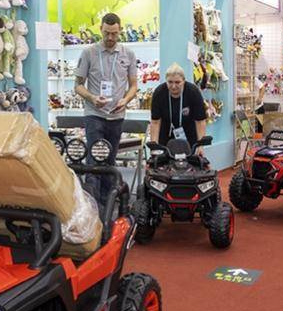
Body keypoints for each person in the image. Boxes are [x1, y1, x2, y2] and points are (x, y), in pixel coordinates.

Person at [75, 12, 138, 208]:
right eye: (106, 33)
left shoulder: (128, 54)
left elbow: (134, 85)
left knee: (110, 161)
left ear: (120, 31)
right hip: (94, 115)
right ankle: (92, 205)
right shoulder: (89, 53)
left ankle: (108, 205)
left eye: (114, 33)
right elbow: (78, 85)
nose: (110, 37)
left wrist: (125, 100)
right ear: (100, 29)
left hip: (117, 116)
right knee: (95, 158)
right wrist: (92, 98)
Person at [149, 63, 207, 154]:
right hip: (165, 135)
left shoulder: (193, 92)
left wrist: (200, 146)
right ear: (166, 81)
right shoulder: (159, 93)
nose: (173, 86)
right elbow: (155, 122)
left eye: (177, 82)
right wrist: (154, 147)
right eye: (170, 82)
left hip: (189, 136)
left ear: (183, 81)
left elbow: (200, 121)